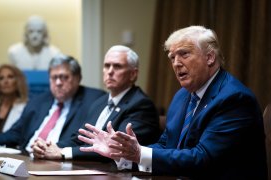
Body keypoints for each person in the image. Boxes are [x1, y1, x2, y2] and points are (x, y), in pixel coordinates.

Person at [77, 26, 267, 179]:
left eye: (184, 54)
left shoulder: (234, 99)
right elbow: (166, 145)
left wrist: (139, 153)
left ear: (209, 57)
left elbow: (203, 158)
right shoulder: (182, 96)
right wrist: (124, 154)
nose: (176, 63)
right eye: (172, 57)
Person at [32, 45, 162, 161]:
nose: (110, 71)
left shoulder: (141, 105)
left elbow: (114, 148)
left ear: (133, 74)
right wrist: (50, 146)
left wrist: (63, 153)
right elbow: (80, 138)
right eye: (107, 66)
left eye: (117, 66)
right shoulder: (100, 102)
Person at [0, 55, 105, 155]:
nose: (58, 82)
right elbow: (17, 132)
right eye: (54, 77)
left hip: (57, 162)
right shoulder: (38, 100)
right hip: (25, 157)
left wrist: (52, 147)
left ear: (77, 78)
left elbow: (83, 139)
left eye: (64, 77)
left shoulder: (94, 100)